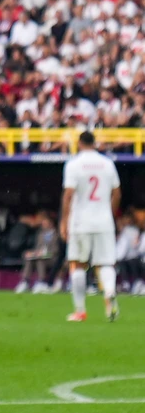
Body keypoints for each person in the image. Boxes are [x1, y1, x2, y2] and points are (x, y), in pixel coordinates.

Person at [60, 130, 121, 322]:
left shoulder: (74, 164)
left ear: (79, 143)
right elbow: (117, 193)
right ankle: (109, 292)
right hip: (104, 221)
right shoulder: (107, 163)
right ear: (95, 143)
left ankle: (80, 310)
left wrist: (64, 221)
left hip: (81, 222)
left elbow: (69, 194)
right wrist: (109, 213)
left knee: (77, 264)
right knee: (105, 262)